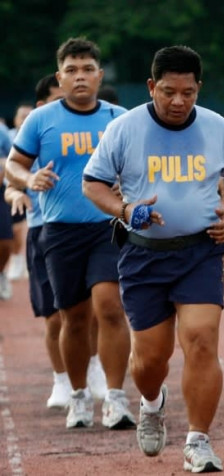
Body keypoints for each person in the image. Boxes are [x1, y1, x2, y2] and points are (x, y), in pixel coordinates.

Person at [83, 45, 224, 473]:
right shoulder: (125, 129)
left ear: (199, 89)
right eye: (169, 92)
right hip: (143, 256)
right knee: (149, 360)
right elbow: (93, 184)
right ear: (151, 86)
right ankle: (152, 402)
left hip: (200, 251)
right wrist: (125, 210)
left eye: (189, 93)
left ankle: (198, 441)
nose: (179, 102)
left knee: (200, 340)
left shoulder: (216, 127)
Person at [5, 37, 134, 430]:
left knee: (110, 307)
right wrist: (30, 177)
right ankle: (78, 394)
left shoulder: (119, 117)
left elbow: (141, 164)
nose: (80, 77)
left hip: (108, 227)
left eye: (87, 70)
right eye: (72, 71)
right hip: (60, 231)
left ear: (99, 75)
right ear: (60, 77)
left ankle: (114, 397)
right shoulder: (41, 120)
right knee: (72, 318)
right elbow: (13, 165)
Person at [3, 73, 108, 408]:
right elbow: (11, 179)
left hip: (91, 227)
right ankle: (61, 379)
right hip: (43, 230)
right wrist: (17, 192)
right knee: (55, 316)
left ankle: (93, 369)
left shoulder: (98, 122)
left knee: (95, 310)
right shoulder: (36, 131)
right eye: (53, 97)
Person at [6, 102, 34, 281]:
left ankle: (19, 260)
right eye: (21, 116)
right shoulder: (8, 136)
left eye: (27, 116)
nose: (24, 119)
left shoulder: (36, 134)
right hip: (10, 187)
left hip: (31, 186)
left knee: (19, 227)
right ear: (15, 119)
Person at [0, 124, 13, 299]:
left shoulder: (2, 131)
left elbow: (14, 158)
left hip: (1, 189)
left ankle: (1, 272)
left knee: (5, 239)